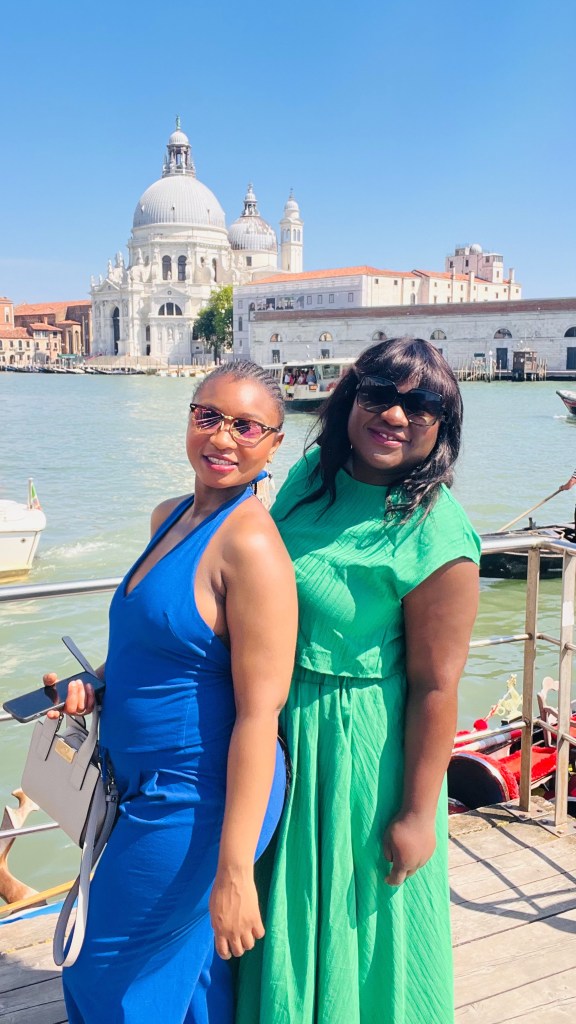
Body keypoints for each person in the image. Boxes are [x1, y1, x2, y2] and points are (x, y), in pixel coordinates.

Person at [236, 337, 480, 1024]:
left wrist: (416, 815)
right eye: (379, 395)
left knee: (355, 925)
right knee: (276, 910)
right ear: (351, 397)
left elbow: (437, 687)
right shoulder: (310, 476)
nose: (395, 416)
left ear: (442, 426)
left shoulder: (438, 533)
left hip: (360, 751)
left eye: (421, 405)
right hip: (274, 727)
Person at [46, 361, 298, 1024]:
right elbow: (160, 645)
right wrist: (97, 682)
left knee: (103, 973)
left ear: (275, 443)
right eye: (207, 416)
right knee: (189, 982)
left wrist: (235, 871)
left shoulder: (251, 546)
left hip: (199, 799)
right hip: (142, 785)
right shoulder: (171, 516)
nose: (222, 437)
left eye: (246, 426)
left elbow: (260, 715)